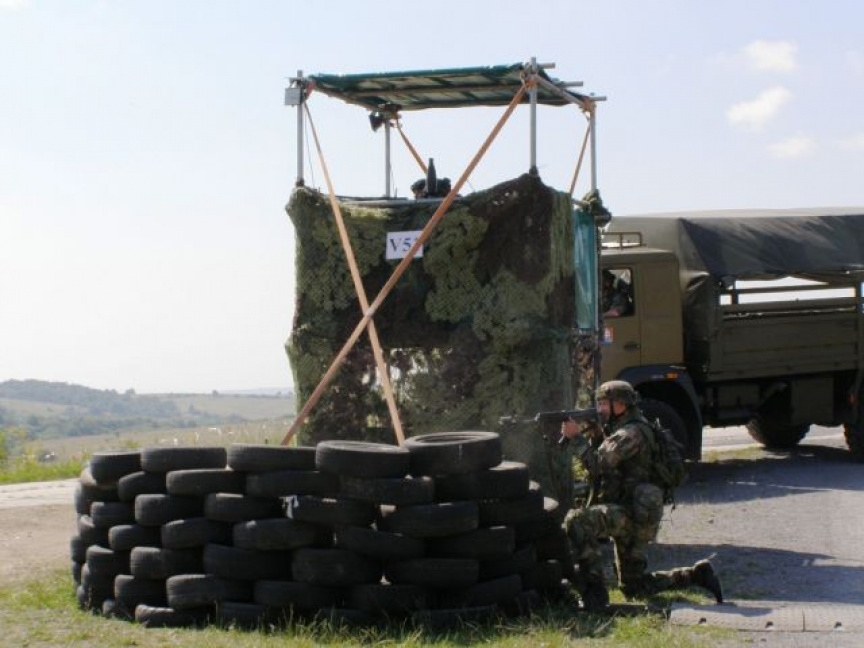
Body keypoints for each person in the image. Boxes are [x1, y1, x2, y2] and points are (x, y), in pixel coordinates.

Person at [560, 380, 723, 610]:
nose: (600, 409)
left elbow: (597, 464)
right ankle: (696, 575)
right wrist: (595, 434)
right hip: (632, 511)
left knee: (577, 520)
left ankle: (594, 593)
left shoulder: (631, 433)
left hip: (631, 516)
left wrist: (576, 437)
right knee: (634, 587)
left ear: (620, 404)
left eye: (604, 404)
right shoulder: (624, 427)